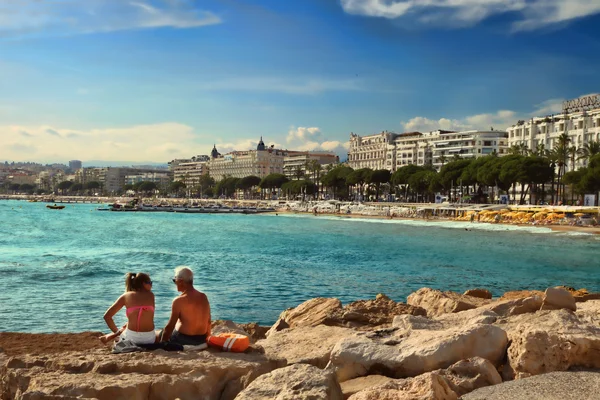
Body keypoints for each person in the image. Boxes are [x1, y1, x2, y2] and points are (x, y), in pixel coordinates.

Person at [160, 266, 211, 345]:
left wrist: (163, 343)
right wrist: (207, 339)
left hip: (183, 339)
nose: (175, 283)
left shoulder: (178, 300)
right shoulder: (203, 296)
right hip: (201, 339)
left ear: (180, 281)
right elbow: (208, 322)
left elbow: (170, 327)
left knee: (159, 334)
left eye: (174, 280)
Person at [101, 272, 155, 345]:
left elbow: (107, 316)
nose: (151, 284)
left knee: (128, 326)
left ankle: (114, 335)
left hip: (132, 338)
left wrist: (117, 332)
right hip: (150, 339)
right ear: (143, 284)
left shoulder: (126, 296)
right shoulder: (151, 295)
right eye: (149, 282)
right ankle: (114, 335)